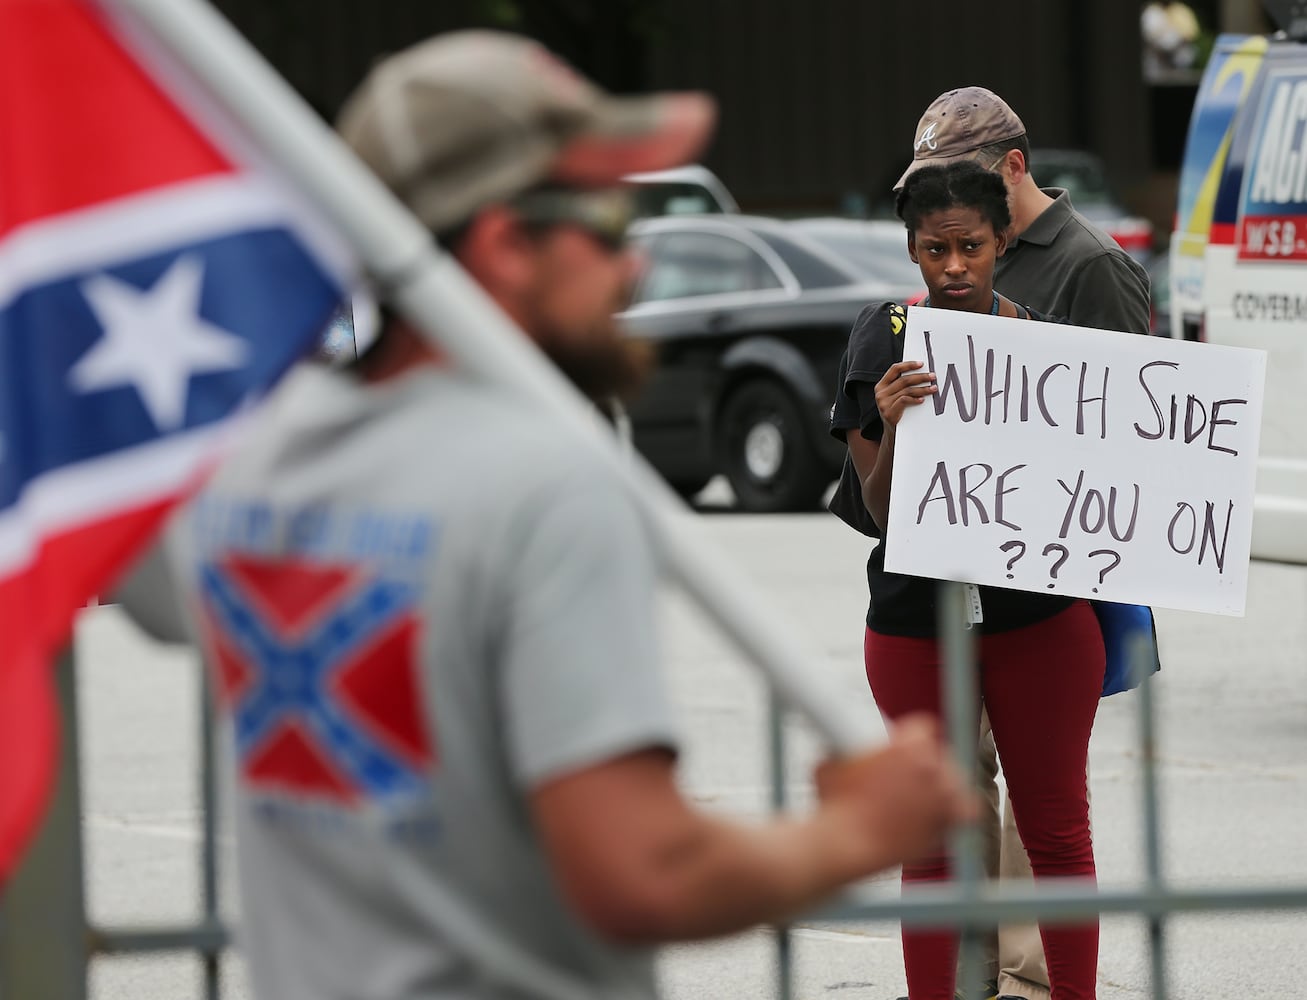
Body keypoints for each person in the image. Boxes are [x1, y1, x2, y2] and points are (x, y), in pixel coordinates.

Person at [119, 31, 975, 1000]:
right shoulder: (545, 483)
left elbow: (137, 581)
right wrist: (855, 832)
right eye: (608, 225)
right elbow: (639, 870)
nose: (635, 270)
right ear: (503, 247)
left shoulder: (257, 458)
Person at [894, 86, 1151, 1000]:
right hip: (950, 586)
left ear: (1011, 169)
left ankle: (1033, 977)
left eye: (957, 190)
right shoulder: (950, 265)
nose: (950, 242)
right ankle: (970, 977)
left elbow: (1133, 442)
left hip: (1041, 592)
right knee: (955, 796)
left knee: (1035, 810)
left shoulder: (1090, 268)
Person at [830, 160, 1106, 1000]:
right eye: (934, 249)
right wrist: (892, 421)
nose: (953, 266)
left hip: (1038, 623)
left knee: (1056, 832)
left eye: (972, 247)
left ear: (1001, 244)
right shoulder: (880, 336)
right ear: (910, 251)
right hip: (917, 624)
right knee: (931, 842)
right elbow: (881, 516)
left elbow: (1086, 497)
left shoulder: (1042, 344)